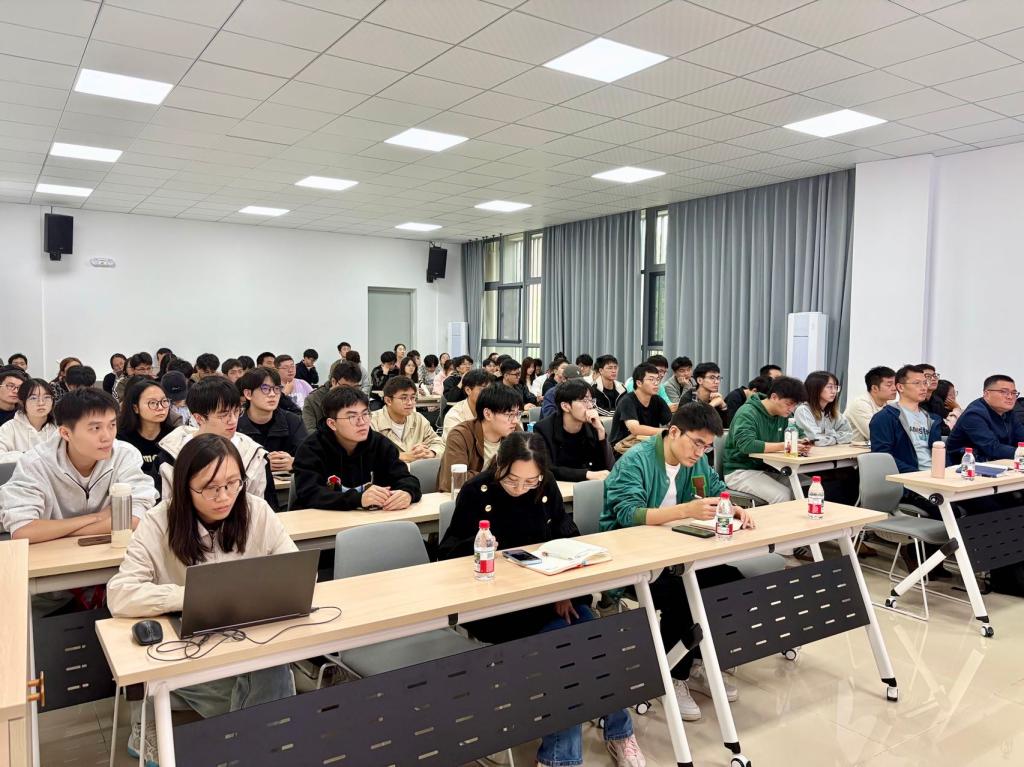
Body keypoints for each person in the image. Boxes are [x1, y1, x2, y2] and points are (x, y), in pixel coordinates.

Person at [439, 433, 645, 767]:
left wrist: (565, 591)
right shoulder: (477, 491)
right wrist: (479, 547)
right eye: (512, 479)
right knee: (569, 647)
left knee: (594, 636)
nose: (520, 488)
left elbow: (568, 537)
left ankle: (615, 735)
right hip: (499, 608)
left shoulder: (545, 486)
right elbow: (447, 554)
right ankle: (569, 754)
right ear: (499, 465)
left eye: (530, 481)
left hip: (550, 596)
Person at [107, 434, 296, 765]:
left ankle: (244, 747)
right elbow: (120, 594)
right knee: (267, 690)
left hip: (247, 638)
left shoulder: (256, 510)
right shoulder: (159, 521)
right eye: (210, 488)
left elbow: (295, 571)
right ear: (185, 487)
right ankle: (257, 746)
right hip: (191, 646)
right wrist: (191, 596)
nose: (224, 497)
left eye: (233, 483)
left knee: (273, 671)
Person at [602, 403, 750, 721]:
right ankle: (672, 675)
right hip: (634, 560)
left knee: (731, 581)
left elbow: (717, 488)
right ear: (673, 432)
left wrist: (733, 507)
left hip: (678, 554)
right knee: (683, 594)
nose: (700, 452)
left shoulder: (697, 461)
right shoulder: (636, 461)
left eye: (707, 446)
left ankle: (696, 661)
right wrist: (686, 511)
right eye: (696, 443)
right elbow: (628, 515)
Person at [0, 388, 157, 542]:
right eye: (95, 428)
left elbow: (135, 517)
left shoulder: (124, 454)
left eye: (112, 425)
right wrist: (96, 517)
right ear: (66, 433)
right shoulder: (35, 463)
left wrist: (56, 531)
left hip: (109, 550)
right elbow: (23, 530)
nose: (107, 436)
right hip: (53, 555)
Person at [292, 387, 421, 511]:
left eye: (365, 414)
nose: (362, 422)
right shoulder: (311, 449)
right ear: (332, 423)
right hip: (324, 520)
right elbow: (309, 493)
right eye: (352, 417)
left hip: (373, 520)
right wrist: (358, 499)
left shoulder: (380, 444)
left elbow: (406, 478)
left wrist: (407, 493)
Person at [157, 377, 277, 510]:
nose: (233, 420)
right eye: (223, 415)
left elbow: (266, 509)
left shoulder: (254, 454)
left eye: (236, 411)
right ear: (199, 418)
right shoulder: (172, 455)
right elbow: (166, 509)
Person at [722, 376, 809, 503]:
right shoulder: (747, 413)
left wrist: (804, 442)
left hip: (767, 468)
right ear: (774, 397)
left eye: (794, 405)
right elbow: (747, 445)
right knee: (782, 495)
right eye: (789, 404)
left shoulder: (785, 415)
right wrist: (785, 445)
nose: (791, 409)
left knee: (802, 487)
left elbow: (800, 434)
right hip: (740, 471)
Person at [437, 384, 522, 492]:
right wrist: (501, 476)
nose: (515, 421)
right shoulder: (460, 435)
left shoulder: (515, 432)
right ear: (488, 414)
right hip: (465, 497)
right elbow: (455, 479)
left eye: (517, 414)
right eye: (509, 415)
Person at [535, 380, 613, 481]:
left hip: (590, 486)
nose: (590, 406)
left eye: (591, 401)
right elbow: (547, 469)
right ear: (565, 406)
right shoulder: (543, 429)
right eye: (584, 401)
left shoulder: (593, 425)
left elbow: (606, 467)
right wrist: (586, 474)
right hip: (560, 486)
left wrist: (601, 432)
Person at [237, 367, 308, 474]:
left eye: (276, 389)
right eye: (265, 389)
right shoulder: (234, 423)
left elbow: (309, 458)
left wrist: (294, 462)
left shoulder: (293, 421)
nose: (272, 394)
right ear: (248, 394)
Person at [946, 374, 1024, 464]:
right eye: (1004, 392)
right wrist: (1021, 452)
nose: (1010, 397)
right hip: (964, 467)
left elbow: (1021, 437)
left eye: (1013, 393)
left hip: (996, 463)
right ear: (987, 394)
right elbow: (992, 448)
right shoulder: (974, 414)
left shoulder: (1008, 412)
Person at [117, 377, 175, 488]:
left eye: (164, 401)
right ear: (135, 408)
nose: (160, 407)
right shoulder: (121, 439)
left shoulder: (175, 435)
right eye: (152, 403)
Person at [370, 376, 444, 463]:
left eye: (413, 398)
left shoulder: (418, 419)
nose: (410, 403)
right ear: (388, 400)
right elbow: (367, 455)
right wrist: (401, 456)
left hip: (418, 470)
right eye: (404, 398)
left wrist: (431, 452)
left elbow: (439, 443)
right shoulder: (372, 421)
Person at [608, 363, 673, 451]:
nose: (656, 383)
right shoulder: (627, 401)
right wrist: (665, 431)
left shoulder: (657, 400)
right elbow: (635, 429)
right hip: (623, 448)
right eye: (651, 379)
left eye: (657, 379)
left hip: (646, 445)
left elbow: (671, 423)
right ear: (639, 383)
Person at [0, 378, 57, 463]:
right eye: (33, 398)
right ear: (21, 401)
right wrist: (29, 456)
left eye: (47, 397)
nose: (41, 403)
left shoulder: (59, 428)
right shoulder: (9, 428)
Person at [302, 360, 363, 433]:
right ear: (333, 381)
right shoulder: (313, 400)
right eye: (345, 387)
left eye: (355, 387)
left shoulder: (359, 398)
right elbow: (309, 431)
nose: (350, 392)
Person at [794, 371, 853, 446]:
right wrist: (836, 436)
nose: (834, 391)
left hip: (830, 452)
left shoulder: (832, 412)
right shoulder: (803, 411)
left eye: (836, 387)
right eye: (829, 387)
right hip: (811, 453)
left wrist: (829, 437)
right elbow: (817, 440)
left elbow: (849, 435)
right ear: (815, 388)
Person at [844, 366, 896, 443]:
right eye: (889, 385)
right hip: (850, 449)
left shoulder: (890, 403)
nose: (895, 388)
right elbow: (874, 434)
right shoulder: (860, 404)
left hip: (875, 447)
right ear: (874, 388)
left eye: (895, 384)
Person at [442, 369, 492, 441]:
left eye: (489, 390)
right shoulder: (454, 416)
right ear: (468, 390)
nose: (488, 394)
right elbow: (457, 444)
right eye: (482, 390)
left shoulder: (493, 410)